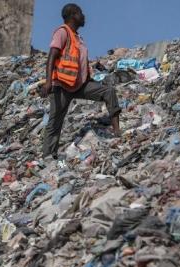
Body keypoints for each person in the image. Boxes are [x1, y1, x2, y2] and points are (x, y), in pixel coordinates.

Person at [41, 3, 121, 159]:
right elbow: (52, 55)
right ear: (73, 15)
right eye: (81, 13)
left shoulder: (78, 38)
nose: (84, 16)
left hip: (80, 85)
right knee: (55, 122)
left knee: (108, 91)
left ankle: (117, 131)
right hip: (62, 86)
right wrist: (48, 81)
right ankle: (48, 157)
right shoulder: (62, 32)